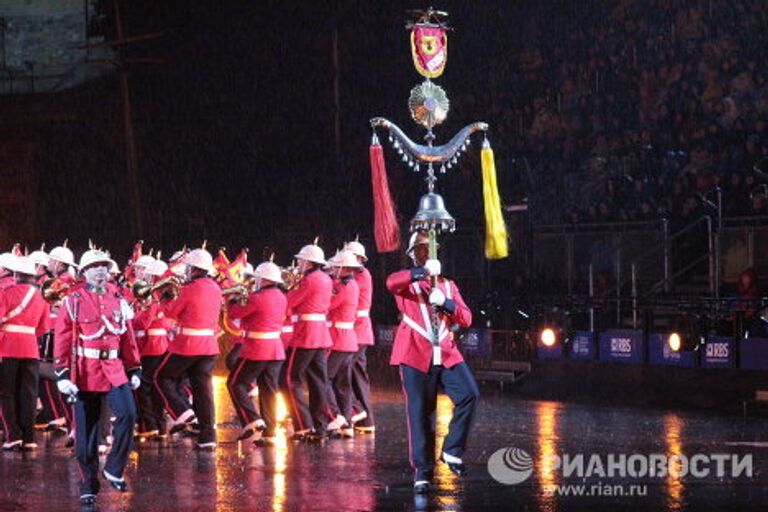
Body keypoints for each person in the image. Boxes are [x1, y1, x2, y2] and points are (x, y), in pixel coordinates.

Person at [386, 231, 479, 494]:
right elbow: (391, 283)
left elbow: (467, 318)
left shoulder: (448, 285)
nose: (427, 253)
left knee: (470, 394)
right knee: (421, 413)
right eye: (422, 249)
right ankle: (423, 472)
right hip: (415, 352)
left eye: (431, 249)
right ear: (414, 255)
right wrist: (420, 273)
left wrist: (446, 303)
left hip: (447, 352)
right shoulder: (407, 284)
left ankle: (452, 451)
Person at [54, 249, 141, 506]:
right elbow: (62, 339)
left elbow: (128, 336)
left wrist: (134, 367)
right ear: (84, 273)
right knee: (86, 438)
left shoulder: (119, 298)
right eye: (95, 267)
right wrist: (62, 374)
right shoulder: (74, 300)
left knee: (128, 414)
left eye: (104, 266)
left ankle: (113, 468)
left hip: (114, 368)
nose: (101, 270)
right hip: (84, 371)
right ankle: (88, 485)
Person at [155, 248, 222, 450]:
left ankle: (183, 413)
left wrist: (165, 297)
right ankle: (208, 436)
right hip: (209, 346)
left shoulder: (189, 288)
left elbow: (172, 312)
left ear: (193, 268)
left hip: (188, 344)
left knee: (161, 377)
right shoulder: (215, 287)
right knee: (203, 391)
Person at [226, 260, 286, 445]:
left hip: (257, 348)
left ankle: (252, 420)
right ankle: (270, 432)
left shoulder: (258, 297)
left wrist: (232, 301)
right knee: (268, 390)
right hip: (275, 349)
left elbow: (234, 314)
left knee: (236, 383)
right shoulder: (281, 296)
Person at [284, 242, 333, 443]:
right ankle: (320, 428)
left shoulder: (309, 280)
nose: (298, 264)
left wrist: (283, 289)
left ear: (309, 262)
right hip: (320, 334)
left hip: (306, 334)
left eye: (301, 260)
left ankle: (303, 425)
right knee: (318, 382)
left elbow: (290, 302)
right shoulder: (326, 279)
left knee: (290, 379)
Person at [0, 255, 51, 451]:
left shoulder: (6, 292)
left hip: (7, 346)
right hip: (30, 347)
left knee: (6, 393)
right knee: (28, 393)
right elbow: (44, 327)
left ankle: (12, 436)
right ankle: (29, 437)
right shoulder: (42, 297)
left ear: (15, 274)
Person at [132, 259, 173, 440]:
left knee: (143, 386)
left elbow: (142, 322)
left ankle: (150, 425)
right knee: (154, 388)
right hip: (158, 345)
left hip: (151, 347)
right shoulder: (162, 297)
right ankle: (159, 426)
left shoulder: (154, 297)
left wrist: (129, 318)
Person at [324, 250, 361, 437]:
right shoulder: (348, 284)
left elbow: (328, 305)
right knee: (343, 384)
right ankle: (346, 424)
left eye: (337, 267)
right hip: (347, 339)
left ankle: (336, 416)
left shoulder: (346, 287)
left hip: (338, 339)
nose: (334, 270)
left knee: (324, 378)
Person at [343, 240, 375, 433]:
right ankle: (366, 419)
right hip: (359, 332)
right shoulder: (358, 274)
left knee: (342, 372)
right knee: (357, 376)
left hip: (357, 331)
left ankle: (357, 410)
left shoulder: (360, 275)